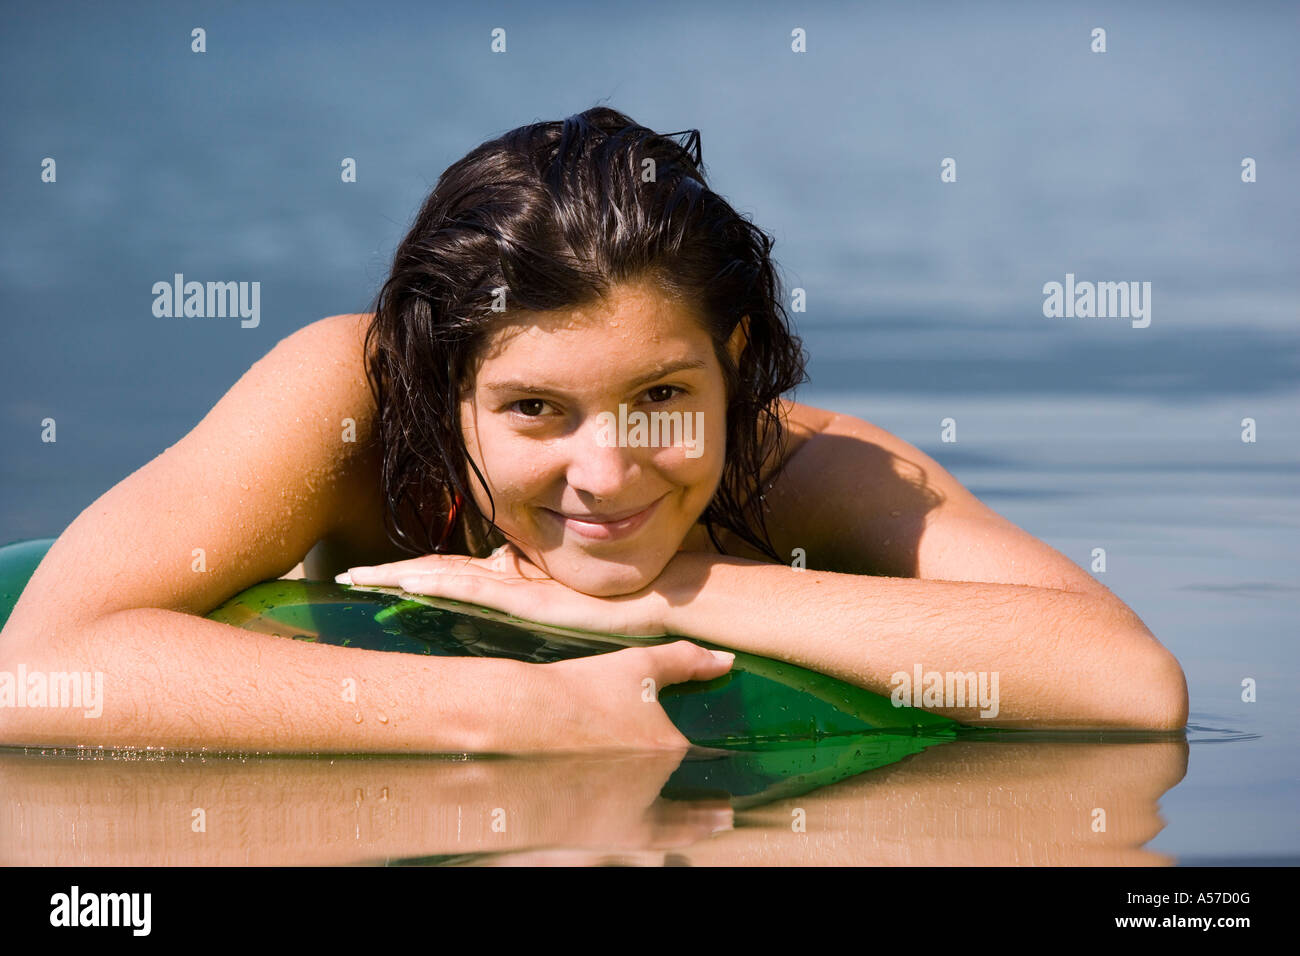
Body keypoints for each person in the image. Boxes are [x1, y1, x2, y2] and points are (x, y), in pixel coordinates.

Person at [0, 107, 1187, 754]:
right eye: (532, 410)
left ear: (732, 366)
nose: (605, 473)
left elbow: (1128, 681)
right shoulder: (341, 398)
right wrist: (506, 708)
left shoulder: (809, 466)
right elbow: (39, 668)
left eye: (663, 397)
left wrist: (670, 593)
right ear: (440, 385)